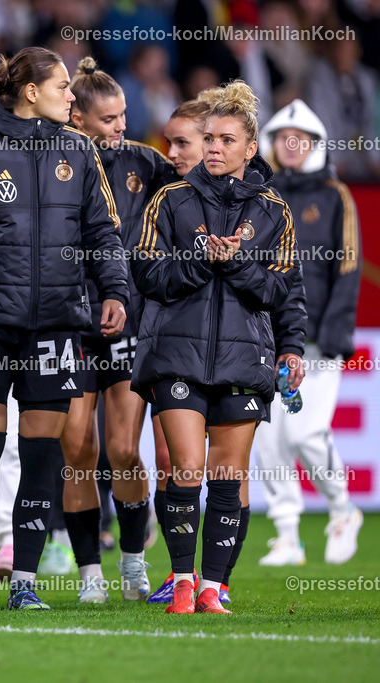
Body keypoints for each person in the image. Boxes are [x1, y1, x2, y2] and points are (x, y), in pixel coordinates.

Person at [0, 46, 129, 611]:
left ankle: (25, 583)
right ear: (31, 91)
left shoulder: (78, 150)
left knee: (41, 457)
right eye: (62, 86)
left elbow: (103, 231)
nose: (71, 96)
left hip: (57, 324)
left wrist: (114, 290)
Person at [132, 80, 302, 615]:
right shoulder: (171, 200)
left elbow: (284, 291)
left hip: (244, 360)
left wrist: (291, 347)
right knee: (185, 469)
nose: (213, 148)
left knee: (229, 477)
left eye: (226, 140)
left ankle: (213, 587)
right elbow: (147, 274)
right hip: (176, 355)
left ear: (250, 148)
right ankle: (182, 581)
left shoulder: (275, 210)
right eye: (208, 138)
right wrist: (204, 260)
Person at [60, 56, 174, 602]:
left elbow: (199, 183)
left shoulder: (146, 164)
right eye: (108, 119)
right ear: (77, 117)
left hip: (127, 317)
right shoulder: (52, 161)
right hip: (67, 321)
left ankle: (132, 562)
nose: (120, 127)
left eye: (123, 116)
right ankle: (89, 574)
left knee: (124, 451)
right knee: (79, 451)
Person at [255, 99, 363, 566]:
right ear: (272, 144)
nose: (291, 146)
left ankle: (342, 511)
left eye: (301, 140)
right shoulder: (260, 194)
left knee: (306, 434)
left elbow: (349, 267)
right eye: (283, 138)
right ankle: (286, 534)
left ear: (316, 146)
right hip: (268, 337)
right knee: (271, 436)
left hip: (318, 342)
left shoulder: (334, 194)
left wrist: (337, 333)